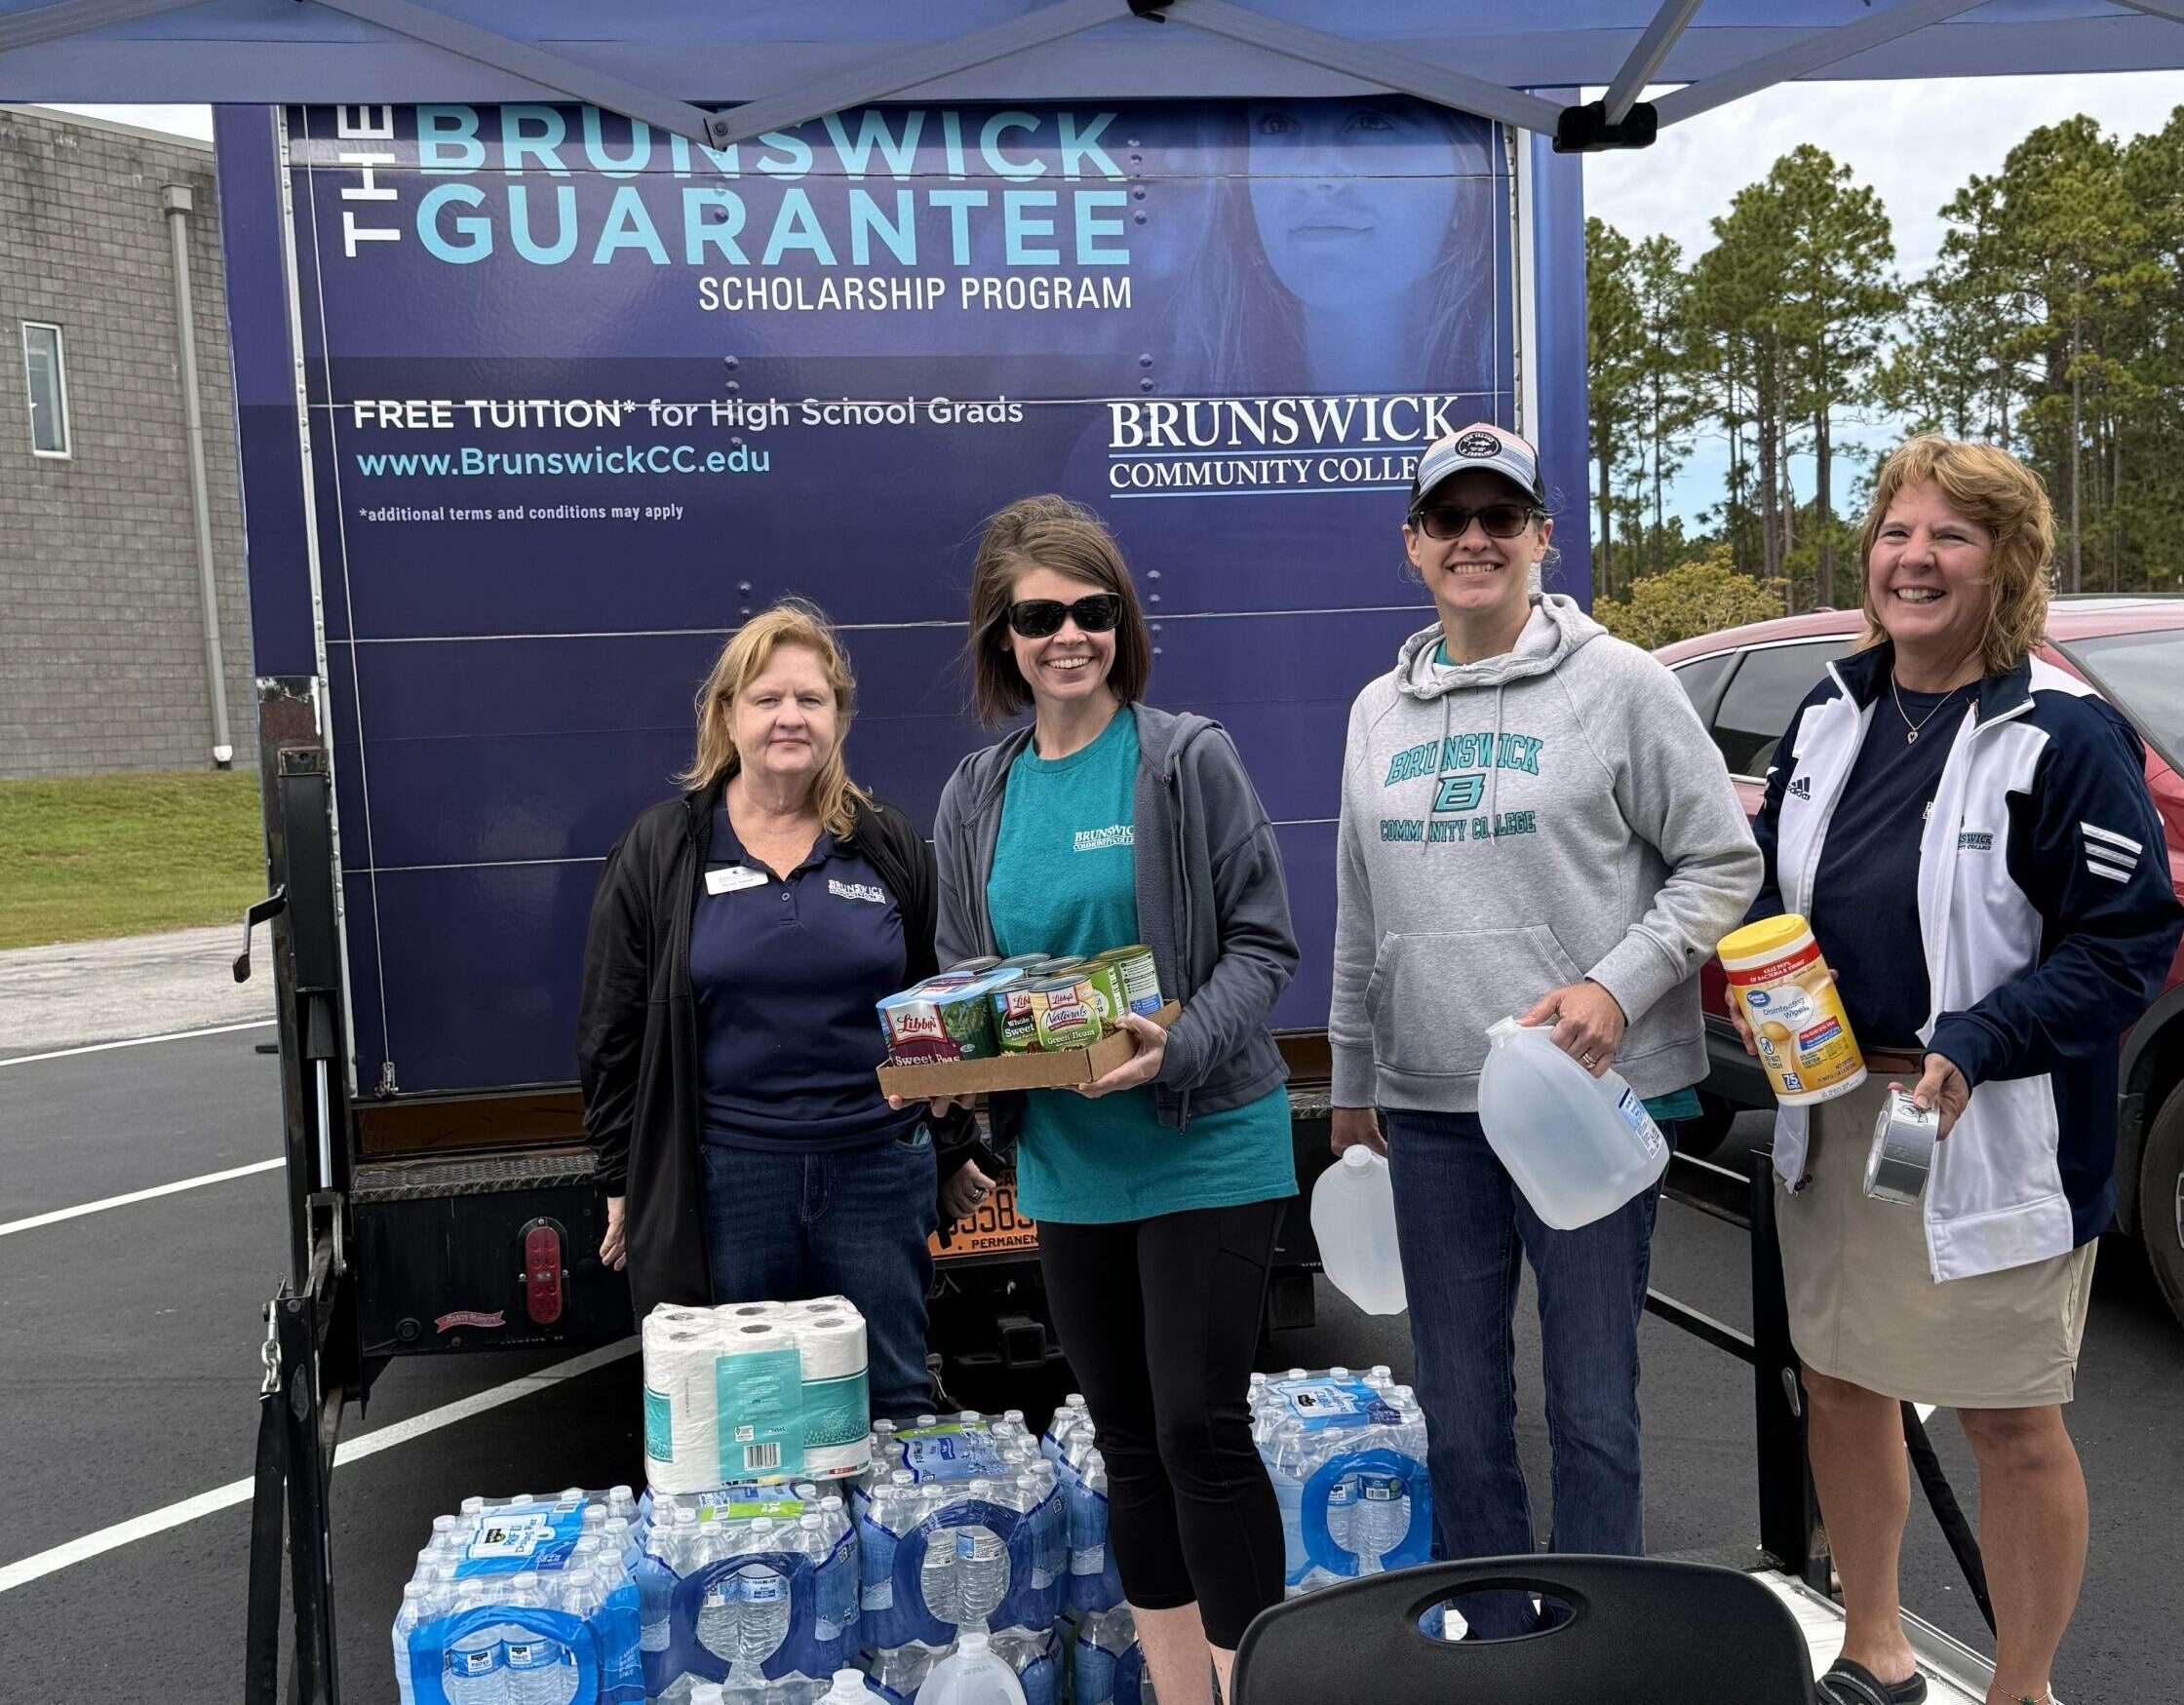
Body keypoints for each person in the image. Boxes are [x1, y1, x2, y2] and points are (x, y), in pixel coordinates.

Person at [1736, 437, 2181, 1705]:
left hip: (1992, 1123)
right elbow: (1776, 883)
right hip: (1832, 1108)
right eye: (1896, 532)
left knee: (2010, 1422)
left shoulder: (2063, 735)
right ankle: (1874, 1646)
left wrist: (1980, 1043)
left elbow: (2129, 942)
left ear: (2007, 565)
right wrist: (1754, 964)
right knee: (1837, 1375)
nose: (1914, 557)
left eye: (1952, 536)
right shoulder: (1831, 709)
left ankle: (2021, 1687)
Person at [1326, 424, 1762, 1634]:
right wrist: (1353, 1083)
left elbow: (1721, 860)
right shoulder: (1374, 711)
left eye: (1498, 519)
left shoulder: (1622, 685)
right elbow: (1360, 914)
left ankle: (1598, 1646)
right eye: (1447, 521)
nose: (1474, 540)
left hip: (1579, 1102)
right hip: (1427, 1109)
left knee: (1590, 1406)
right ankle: (1497, 1640)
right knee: (1459, 1413)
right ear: (1412, 547)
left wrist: (1617, 986)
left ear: (1539, 539)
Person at [929, 495, 1298, 1705]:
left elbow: (1262, 946)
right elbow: (965, 983)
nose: (1067, 636)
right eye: (1039, 617)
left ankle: (1257, 1691)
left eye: (1091, 611)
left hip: (1201, 1141)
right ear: (1003, 636)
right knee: (1125, 1443)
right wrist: (966, 1086)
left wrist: (1179, 1040)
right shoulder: (974, 796)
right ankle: (1179, 1694)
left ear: (1120, 624)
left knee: (1199, 1429)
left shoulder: (1185, 760)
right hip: (1071, 1164)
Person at [576, 599, 990, 1421]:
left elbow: (930, 1013)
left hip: (876, 1172)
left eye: (811, 699)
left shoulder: (884, 844)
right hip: (730, 1182)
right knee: (747, 1417)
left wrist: (949, 1148)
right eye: (767, 699)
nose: (789, 718)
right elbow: (611, 1029)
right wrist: (622, 1176)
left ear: (839, 717)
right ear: (727, 716)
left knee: (889, 1403)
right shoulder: (665, 849)